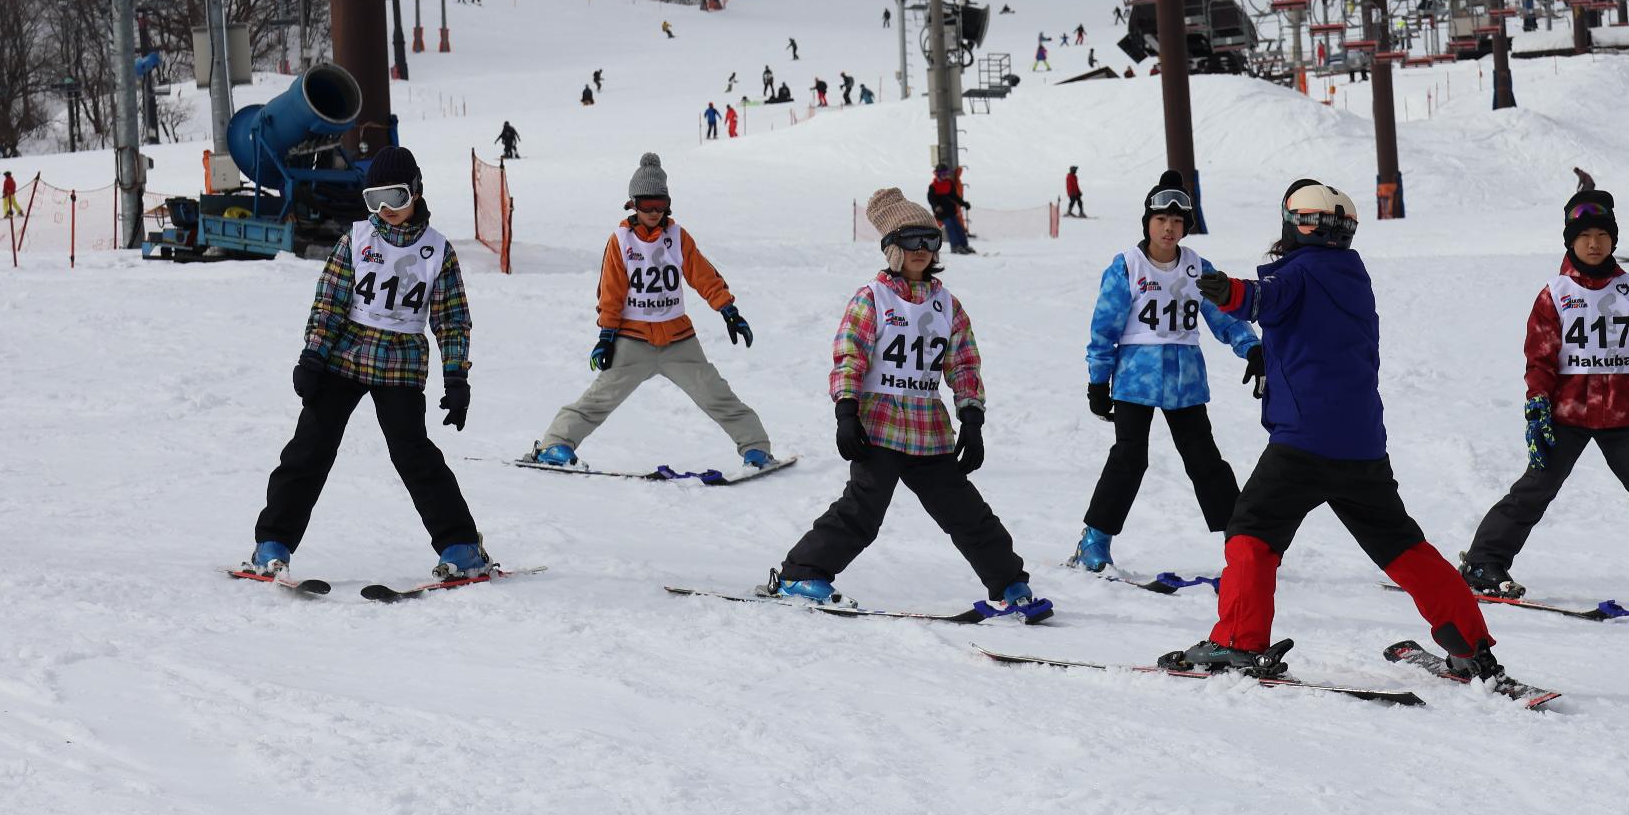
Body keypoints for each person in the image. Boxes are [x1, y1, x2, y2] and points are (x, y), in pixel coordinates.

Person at [1163, 181, 1515, 691]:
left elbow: (1264, 298)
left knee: (1251, 533)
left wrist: (1229, 291)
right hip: (1361, 445)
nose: (1313, 232)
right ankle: (1471, 647)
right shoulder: (1354, 275)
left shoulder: (1301, 272)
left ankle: (1239, 639)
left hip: (1303, 442)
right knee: (1402, 546)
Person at [769, 188, 1044, 618]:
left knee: (964, 510)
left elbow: (964, 364)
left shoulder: (946, 304)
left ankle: (1010, 584)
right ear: (893, 248)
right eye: (913, 241)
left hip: (928, 430)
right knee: (864, 509)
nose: (923, 251)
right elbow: (850, 356)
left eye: (931, 241)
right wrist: (845, 412)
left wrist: (971, 419)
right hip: (877, 426)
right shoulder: (872, 299)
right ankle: (801, 573)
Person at [1456, 191, 1629, 606]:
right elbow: (1540, 358)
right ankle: (1483, 563)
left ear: (1614, 240)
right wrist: (1538, 408)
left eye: (1603, 234)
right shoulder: (1555, 293)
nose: (1594, 243)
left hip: (1624, 414)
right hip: (1568, 413)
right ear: (1570, 241)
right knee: (1535, 489)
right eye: (1585, 235)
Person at [242, 147, 488, 583]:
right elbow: (330, 302)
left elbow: (451, 319)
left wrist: (456, 376)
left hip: (401, 366)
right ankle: (272, 544)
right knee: (309, 448)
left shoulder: (437, 251)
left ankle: (462, 548)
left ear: (415, 191)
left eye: (394, 197)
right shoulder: (356, 241)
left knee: (414, 456)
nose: (385, 210)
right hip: (345, 357)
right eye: (374, 199)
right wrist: (313, 355)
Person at [528, 153, 773, 470]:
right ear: (633, 204)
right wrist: (606, 336)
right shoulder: (621, 241)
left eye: (660, 205)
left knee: (717, 396)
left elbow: (703, 276)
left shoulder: (677, 237)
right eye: (647, 206)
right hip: (633, 341)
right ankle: (554, 445)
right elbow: (611, 293)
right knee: (599, 399)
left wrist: (729, 310)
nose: (654, 213)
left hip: (679, 342)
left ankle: (756, 448)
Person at [1073, 174, 1258, 574]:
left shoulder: (1197, 267)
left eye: (1178, 221)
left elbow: (1223, 314)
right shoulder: (1127, 266)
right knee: (1129, 457)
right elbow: (1104, 326)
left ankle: (1243, 544)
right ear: (1148, 223)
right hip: (1135, 380)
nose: (1169, 228)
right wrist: (1097, 380)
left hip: (1185, 380)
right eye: (1161, 220)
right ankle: (1095, 539)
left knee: (1205, 460)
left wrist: (1253, 348)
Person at [927, 164, 971, 254]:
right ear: (938, 174)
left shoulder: (949, 183)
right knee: (950, 226)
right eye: (943, 174)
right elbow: (931, 199)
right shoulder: (933, 186)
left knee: (958, 227)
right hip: (942, 212)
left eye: (946, 173)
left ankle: (964, 245)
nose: (945, 176)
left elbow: (954, 197)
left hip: (951, 210)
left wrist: (963, 203)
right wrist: (936, 207)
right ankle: (955, 246)